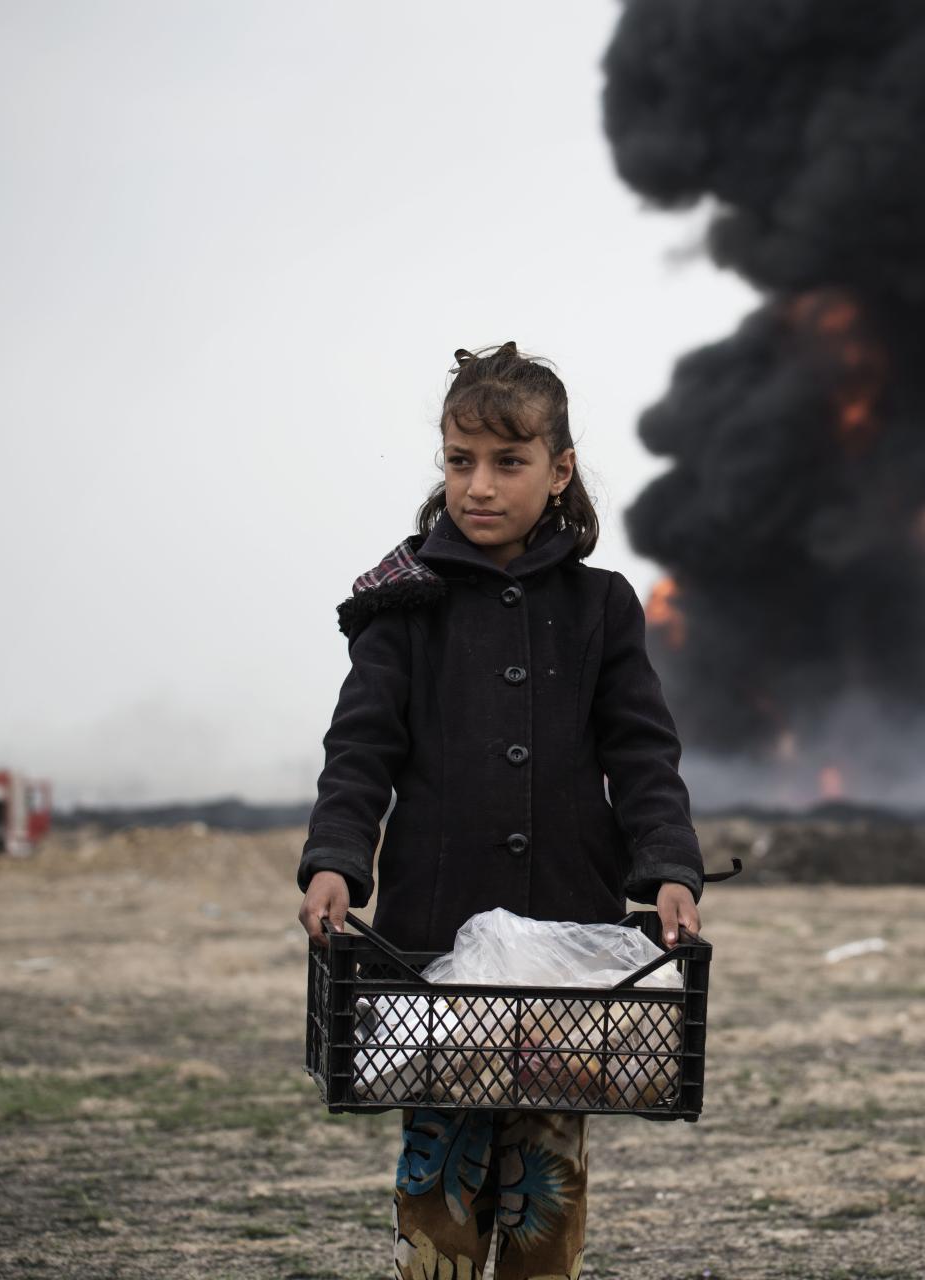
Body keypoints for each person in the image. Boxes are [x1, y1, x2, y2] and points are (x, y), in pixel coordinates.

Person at [295, 343, 705, 1280]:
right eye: (459, 461)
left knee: (543, 1221)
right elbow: (361, 750)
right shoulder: (403, 604)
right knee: (436, 1220)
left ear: (560, 471)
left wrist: (670, 869)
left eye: (508, 462)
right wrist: (334, 859)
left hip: (567, 955)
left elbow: (643, 753)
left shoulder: (603, 607)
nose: (479, 486)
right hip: (432, 950)